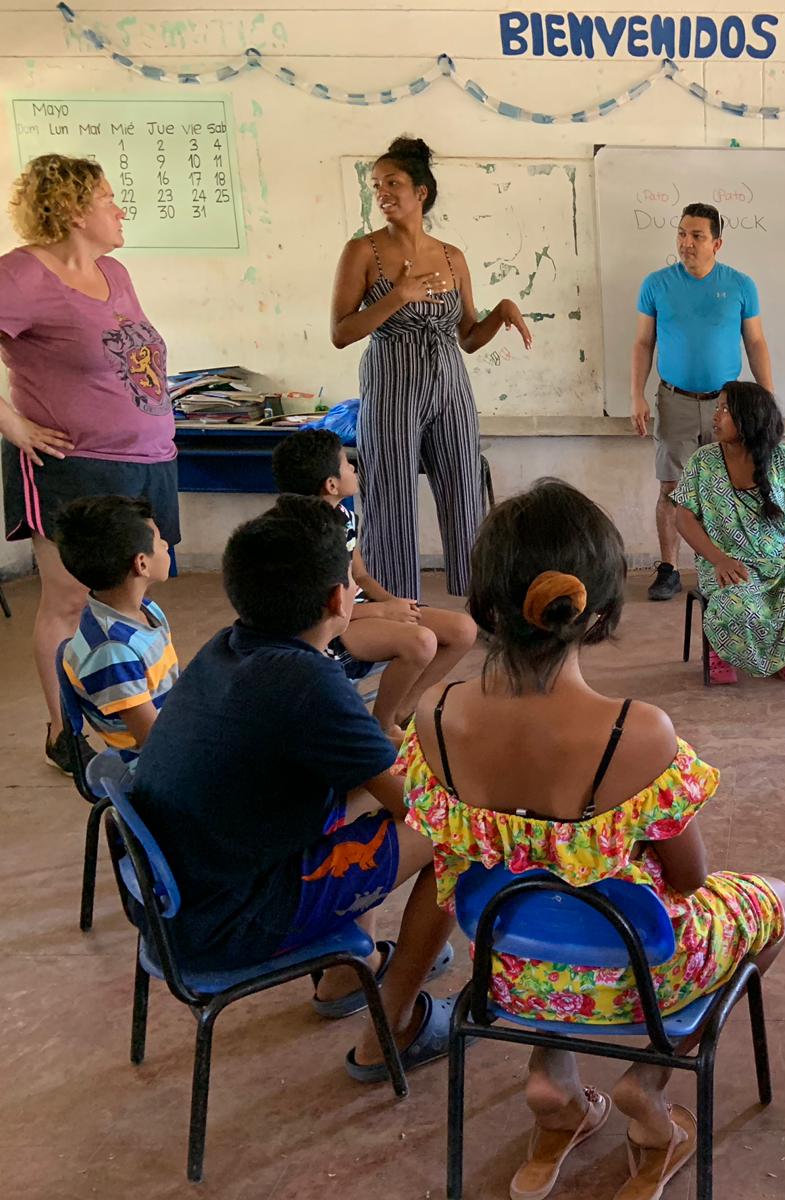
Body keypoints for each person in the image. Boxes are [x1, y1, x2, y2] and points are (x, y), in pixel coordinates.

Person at [403, 479, 785, 1200]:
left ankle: (552, 1083)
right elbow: (690, 880)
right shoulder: (637, 732)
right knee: (776, 902)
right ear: (601, 611)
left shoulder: (436, 712)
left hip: (507, 973)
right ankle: (648, 1084)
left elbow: (453, 852)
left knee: (540, 892)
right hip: (637, 981)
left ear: (485, 604)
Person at [132, 496, 457, 1074]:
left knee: (360, 801)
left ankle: (340, 976)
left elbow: (369, 779)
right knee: (459, 836)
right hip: (232, 922)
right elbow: (418, 807)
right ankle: (393, 1030)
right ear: (339, 599)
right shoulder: (307, 682)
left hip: (184, 902)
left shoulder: (229, 648)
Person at [0, 154, 178, 773]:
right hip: (75, 465)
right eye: (108, 198)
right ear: (74, 210)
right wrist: (14, 424)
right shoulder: (21, 275)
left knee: (134, 593)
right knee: (71, 603)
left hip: (146, 458)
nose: (119, 208)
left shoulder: (115, 271)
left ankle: (140, 712)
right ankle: (64, 732)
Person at [329, 135, 532, 602]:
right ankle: (395, 605)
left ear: (421, 192)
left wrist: (501, 312)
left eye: (393, 182)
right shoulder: (361, 251)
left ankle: (480, 599)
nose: (382, 192)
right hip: (391, 381)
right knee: (389, 493)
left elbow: (467, 337)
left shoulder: (451, 256)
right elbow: (341, 332)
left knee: (464, 488)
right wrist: (397, 296)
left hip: (450, 383)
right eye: (376, 184)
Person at [272, 429, 478, 742]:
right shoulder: (301, 537)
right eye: (346, 465)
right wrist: (383, 612)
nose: (353, 468)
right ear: (331, 484)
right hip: (329, 626)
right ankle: (380, 729)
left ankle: (402, 711)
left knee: (463, 629)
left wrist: (395, 604)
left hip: (356, 608)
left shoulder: (345, 517)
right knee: (421, 642)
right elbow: (317, 611)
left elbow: (362, 577)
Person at [630, 202, 773, 602]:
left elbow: (756, 342)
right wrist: (636, 395)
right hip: (673, 399)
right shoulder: (656, 284)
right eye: (681, 233)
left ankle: (720, 566)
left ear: (717, 243)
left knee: (727, 488)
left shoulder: (741, 285)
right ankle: (669, 568)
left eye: (697, 236)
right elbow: (643, 342)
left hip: (726, 407)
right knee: (672, 488)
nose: (686, 243)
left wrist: (768, 398)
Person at [672, 382, 785, 685]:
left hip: (778, 558)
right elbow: (682, 517)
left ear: (750, 417)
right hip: (727, 562)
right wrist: (718, 559)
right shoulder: (704, 461)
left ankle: (783, 653)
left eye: (725, 409)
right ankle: (720, 651)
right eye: (717, 407)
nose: (715, 415)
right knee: (739, 605)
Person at [55, 495, 178, 767]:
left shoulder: (146, 611)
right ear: (141, 563)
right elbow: (154, 741)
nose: (166, 544)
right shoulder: (113, 652)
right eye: (159, 540)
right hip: (151, 768)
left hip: (175, 731)